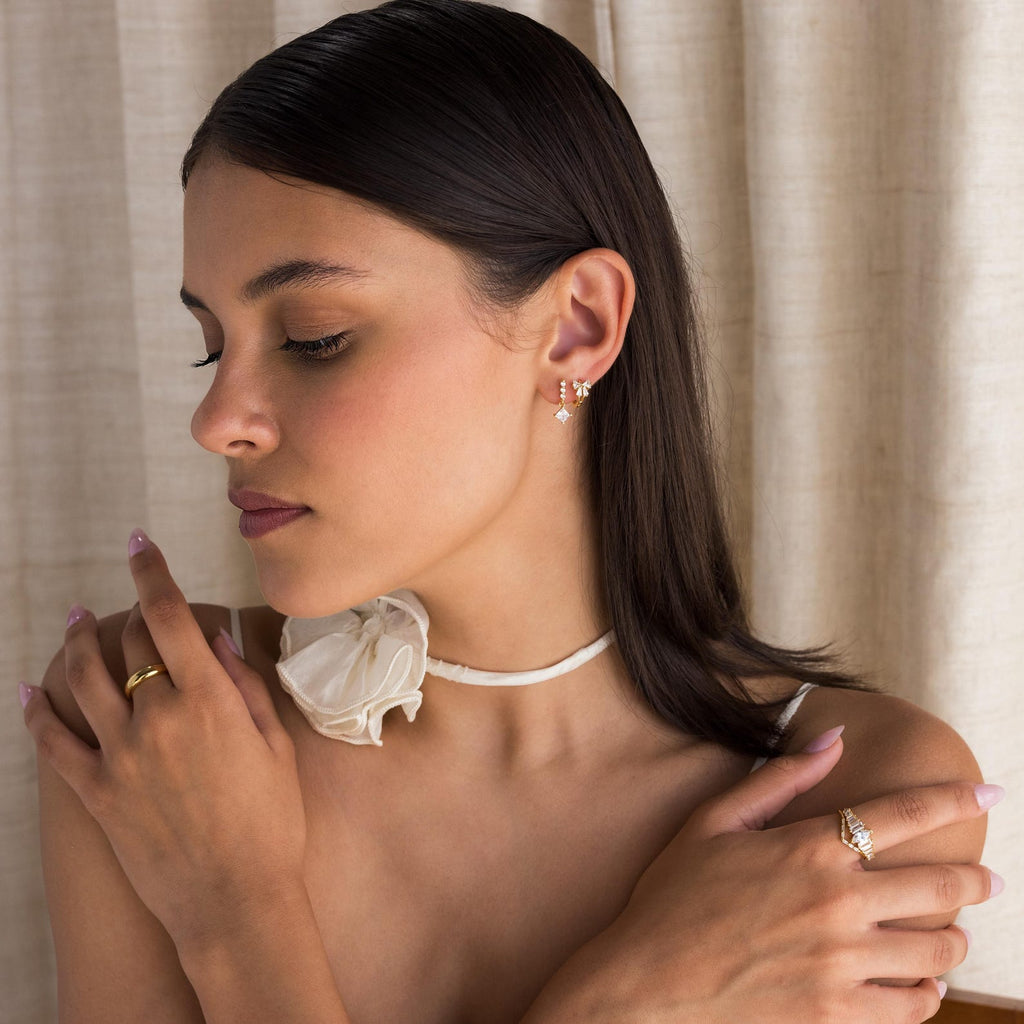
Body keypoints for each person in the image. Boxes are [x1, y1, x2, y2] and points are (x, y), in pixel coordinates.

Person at [19, 1, 1001, 1021]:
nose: (218, 417)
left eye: (313, 335)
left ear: (576, 327)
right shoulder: (160, 721)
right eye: (212, 343)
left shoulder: (851, 795)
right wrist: (628, 999)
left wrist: (233, 920)